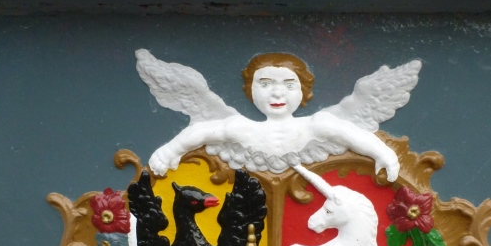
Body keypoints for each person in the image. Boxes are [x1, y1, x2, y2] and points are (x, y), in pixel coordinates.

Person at [148, 53, 400, 181]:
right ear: (250, 90)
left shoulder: (318, 125)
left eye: (289, 85)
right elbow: (201, 132)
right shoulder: (240, 128)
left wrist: (383, 153)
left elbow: (352, 135)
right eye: (265, 84)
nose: (277, 93)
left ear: (304, 91)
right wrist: (170, 150)